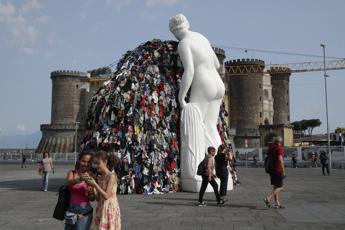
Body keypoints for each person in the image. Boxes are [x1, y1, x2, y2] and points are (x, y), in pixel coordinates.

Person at [169, 14, 225, 192]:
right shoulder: (201, 37)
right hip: (218, 83)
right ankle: (222, 169)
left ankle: (200, 171)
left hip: (203, 83)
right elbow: (217, 63)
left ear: (174, 31)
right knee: (211, 126)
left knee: (197, 125)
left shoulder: (184, 43)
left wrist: (181, 96)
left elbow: (190, 71)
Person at [85, 151, 121, 230]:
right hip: (101, 207)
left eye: (98, 163)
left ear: (105, 162)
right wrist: (93, 187)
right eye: (95, 163)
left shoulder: (112, 176)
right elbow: (98, 198)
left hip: (110, 208)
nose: (96, 166)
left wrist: (95, 185)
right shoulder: (100, 177)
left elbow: (107, 196)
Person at [65, 152, 95, 230]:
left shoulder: (92, 176)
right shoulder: (72, 173)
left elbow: (92, 199)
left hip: (84, 212)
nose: (86, 164)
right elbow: (68, 183)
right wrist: (80, 178)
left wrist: (91, 193)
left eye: (89, 162)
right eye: (83, 161)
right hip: (71, 211)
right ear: (79, 161)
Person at [264, 136, 286, 209]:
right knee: (281, 187)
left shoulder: (271, 147)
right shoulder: (279, 148)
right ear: (280, 142)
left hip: (271, 170)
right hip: (278, 169)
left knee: (275, 187)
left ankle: (277, 204)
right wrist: (283, 171)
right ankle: (268, 198)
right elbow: (280, 159)